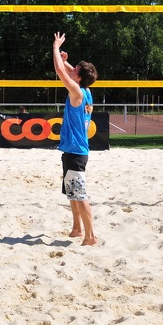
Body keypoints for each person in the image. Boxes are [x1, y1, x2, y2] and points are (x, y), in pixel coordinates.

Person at [53, 32, 99, 246]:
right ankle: (77, 228)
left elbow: (60, 72)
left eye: (76, 71)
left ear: (79, 78)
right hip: (74, 149)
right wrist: (66, 60)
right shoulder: (87, 91)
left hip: (76, 151)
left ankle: (90, 236)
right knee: (72, 193)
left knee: (80, 195)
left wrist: (55, 47)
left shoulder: (77, 93)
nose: (72, 71)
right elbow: (69, 70)